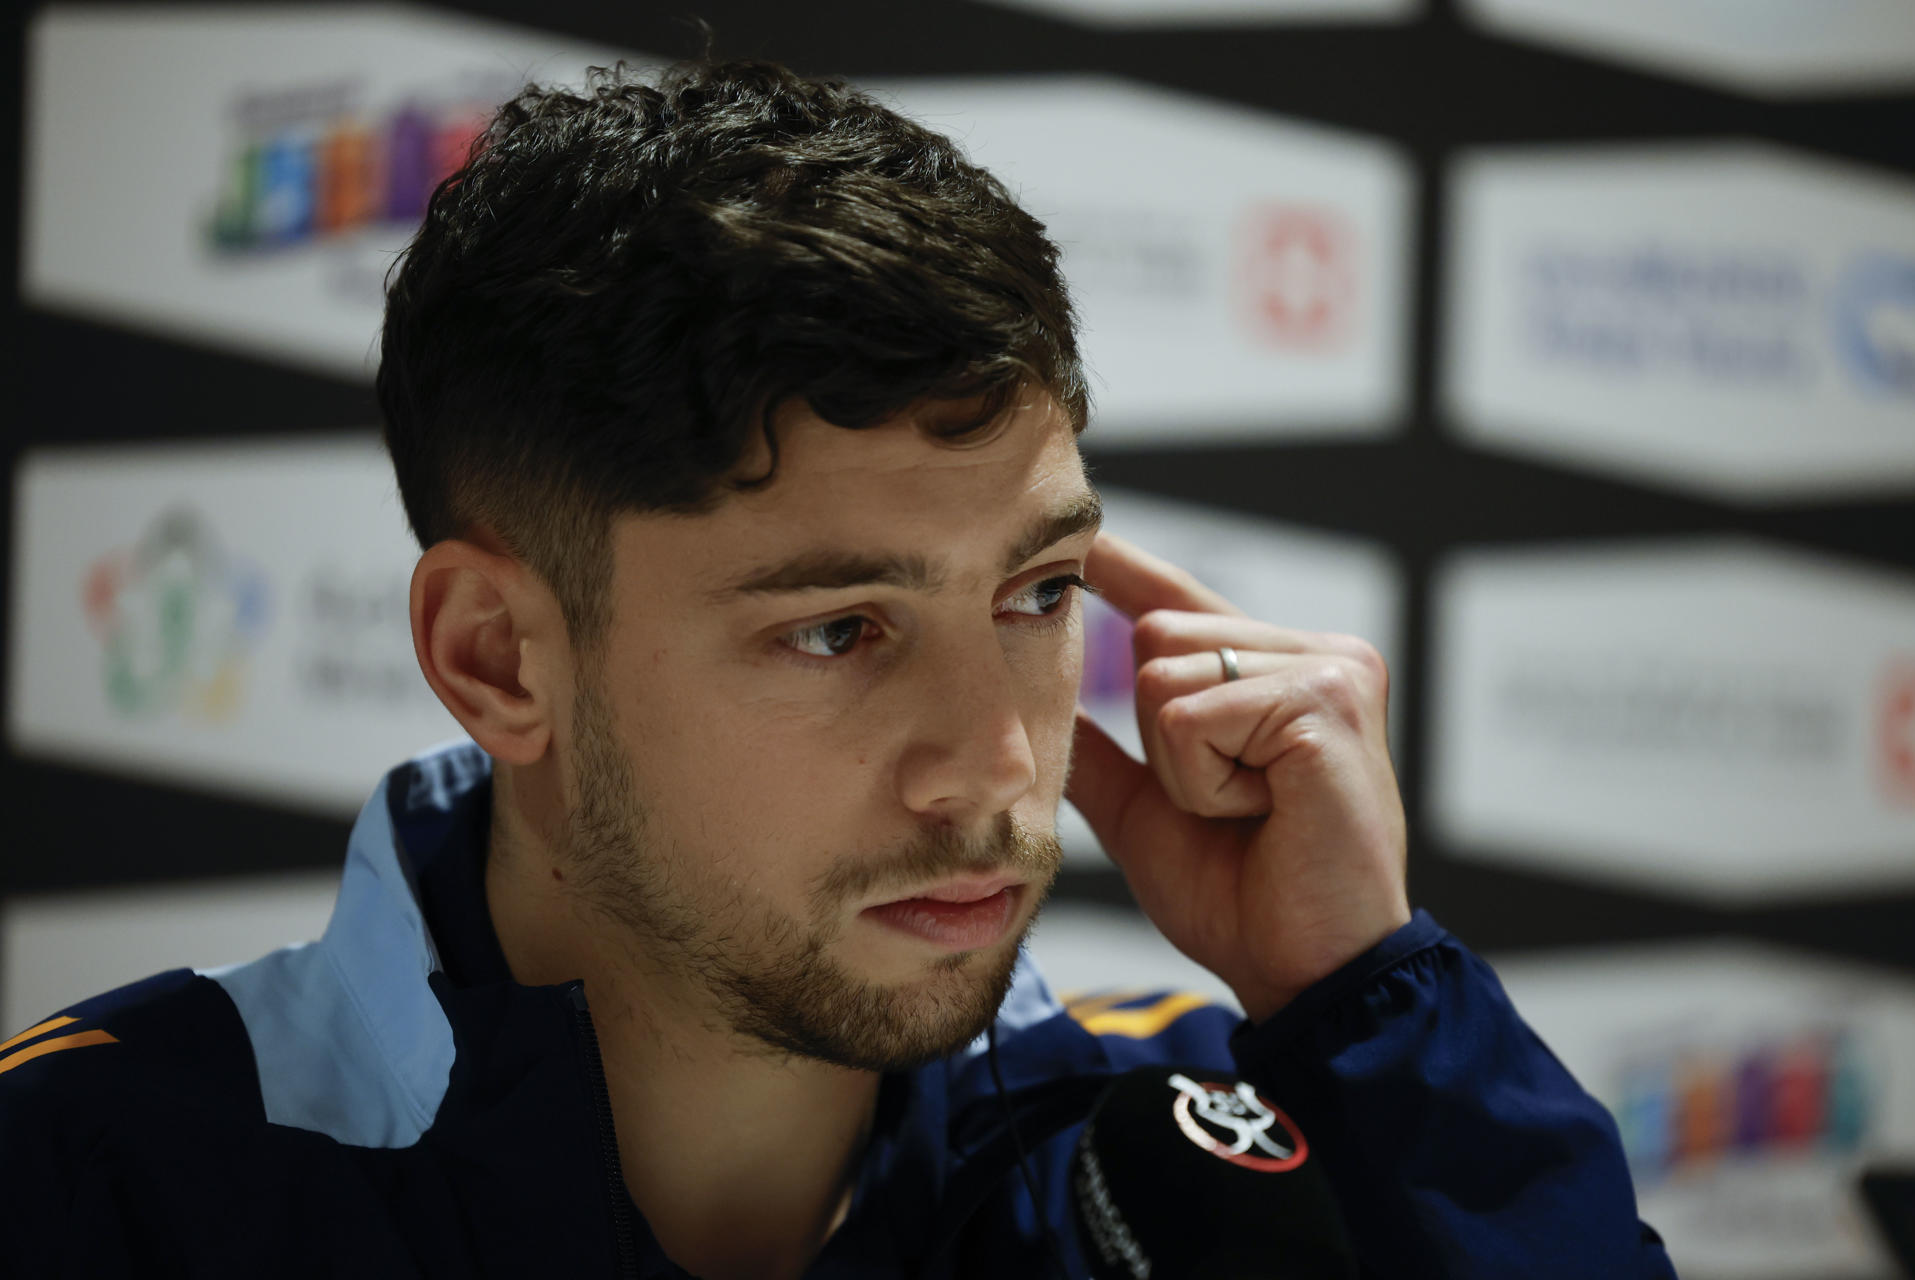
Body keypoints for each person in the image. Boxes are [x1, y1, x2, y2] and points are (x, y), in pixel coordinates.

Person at [0, 59, 1676, 1279]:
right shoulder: (110, 1177)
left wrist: (1362, 999)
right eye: (836, 629)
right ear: (497, 657)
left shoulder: (1217, 1142)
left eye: (1036, 593)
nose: (997, 768)